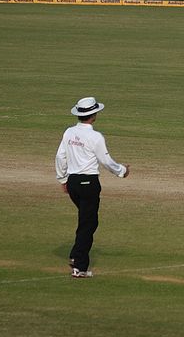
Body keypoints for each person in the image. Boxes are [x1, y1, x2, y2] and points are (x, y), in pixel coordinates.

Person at [55, 97, 131, 278]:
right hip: (89, 184)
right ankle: (79, 267)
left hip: (73, 183)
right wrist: (122, 171)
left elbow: (60, 157)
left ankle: (75, 255)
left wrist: (62, 179)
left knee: (87, 221)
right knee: (88, 224)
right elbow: (106, 161)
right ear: (93, 115)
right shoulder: (95, 137)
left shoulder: (69, 132)